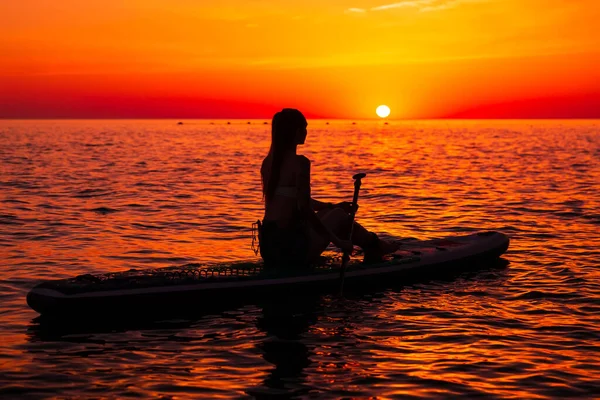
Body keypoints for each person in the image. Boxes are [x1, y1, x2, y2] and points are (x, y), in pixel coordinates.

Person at [258, 108, 397, 268]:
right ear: (297, 131)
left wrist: (332, 206)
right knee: (338, 216)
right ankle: (375, 246)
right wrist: (339, 242)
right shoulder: (300, 163)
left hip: (269, 248)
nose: (306, 132)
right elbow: (305, 211)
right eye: (305, 128)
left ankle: (373, 245)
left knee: (332, 212)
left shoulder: (268, 163)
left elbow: (299, 201)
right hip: (291, 251)